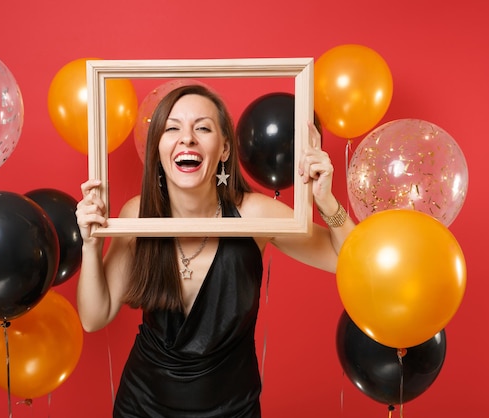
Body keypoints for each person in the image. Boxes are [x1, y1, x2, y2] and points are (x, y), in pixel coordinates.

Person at [75, 84, 355, 417]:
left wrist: (327, 203)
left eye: (203, 128)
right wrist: (91, 246)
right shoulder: (137, 215)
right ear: (158, 148)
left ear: (224, 149)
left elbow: (350, 261)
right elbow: (94, 317)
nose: (187, 138)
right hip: (143, 405)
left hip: (231, 408)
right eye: (172, 128)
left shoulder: (255, 214)